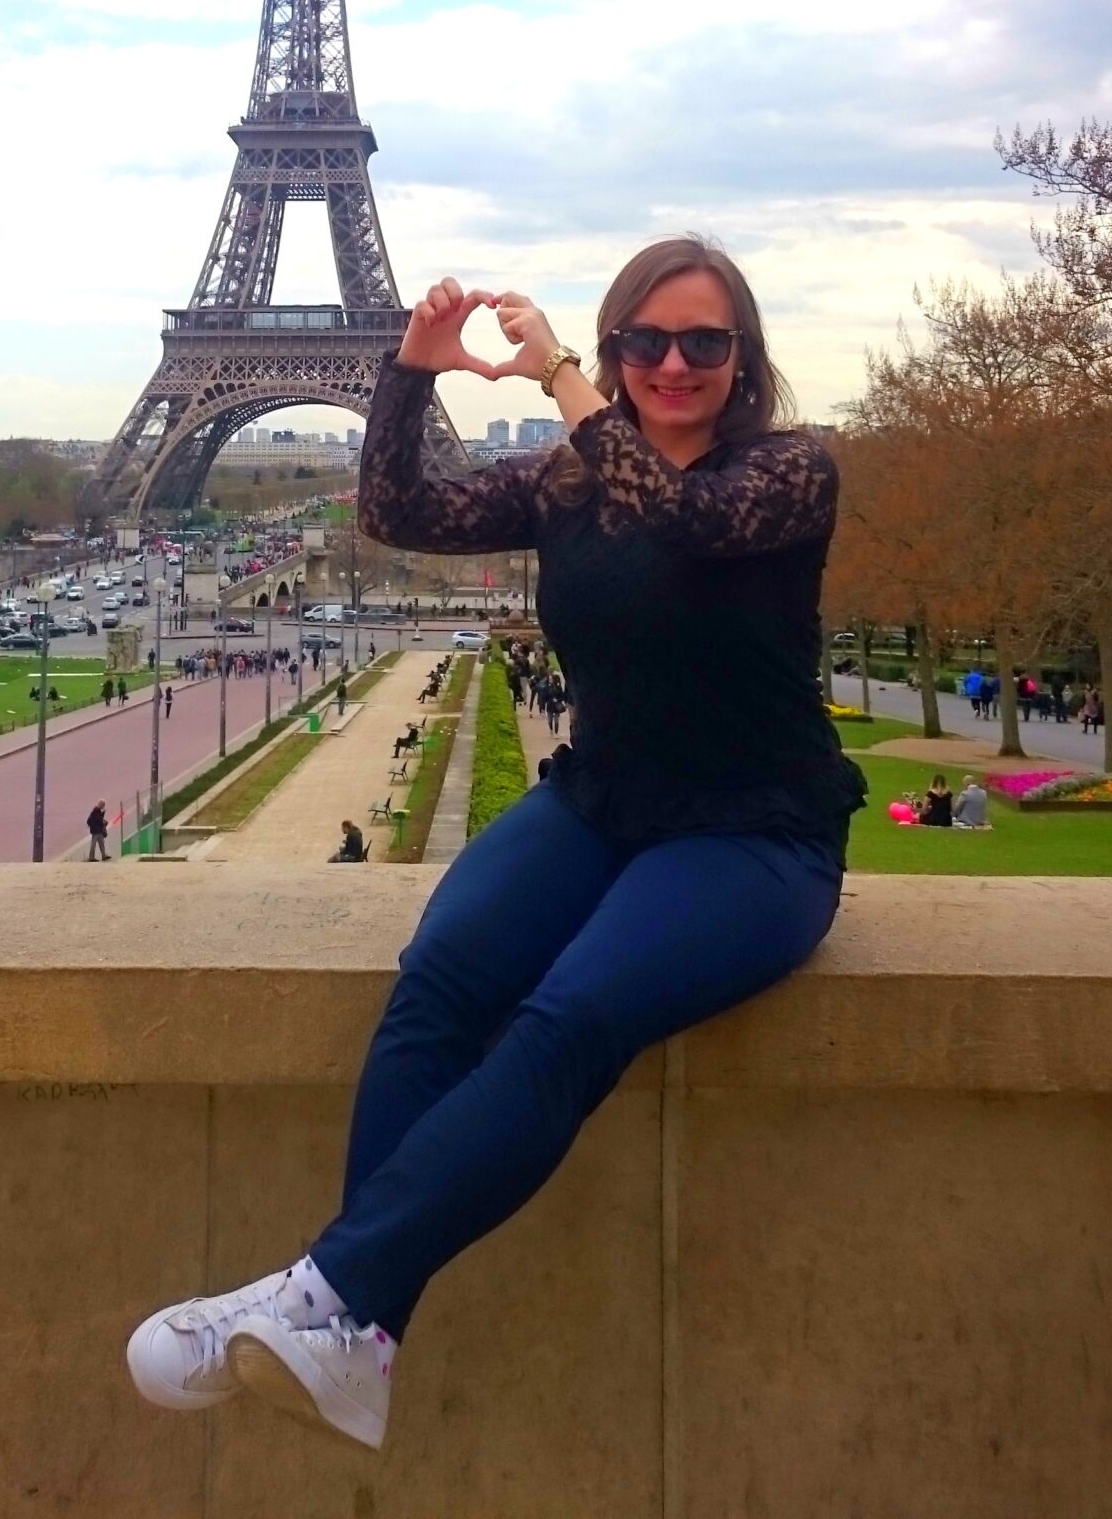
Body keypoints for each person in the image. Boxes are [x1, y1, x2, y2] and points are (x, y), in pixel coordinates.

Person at [128, 240, 861, 1454]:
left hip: (754, 830)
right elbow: (397, 510)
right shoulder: (567, 486)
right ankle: (358, 1328)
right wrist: (406, 374)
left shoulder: (788, 471)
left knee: (569, 1016)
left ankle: (326, 1298)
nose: (672, 363)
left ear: (745, 359)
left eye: (703, 342)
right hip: (602, 802)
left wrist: (566, 378)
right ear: (624, 346)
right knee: (439, 981)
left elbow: (679, 522)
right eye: (646, 341)